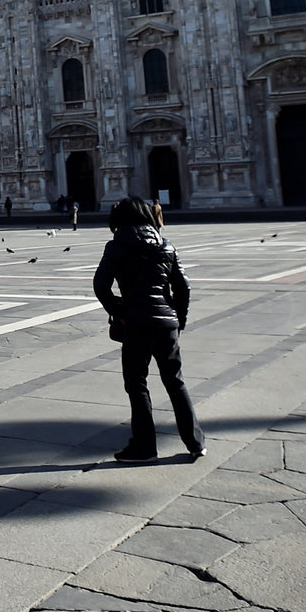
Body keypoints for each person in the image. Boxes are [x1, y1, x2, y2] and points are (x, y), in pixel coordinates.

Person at [94, 198, 204, 462]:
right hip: (167, 324)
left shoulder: (117, 245)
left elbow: (100, 284)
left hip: (136, 324)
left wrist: (119, 312)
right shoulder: (166, 245)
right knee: (175, 382)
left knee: (137, 385)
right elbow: (184, 287)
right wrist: (179, 319)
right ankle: (195, 442)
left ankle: (144, 448)